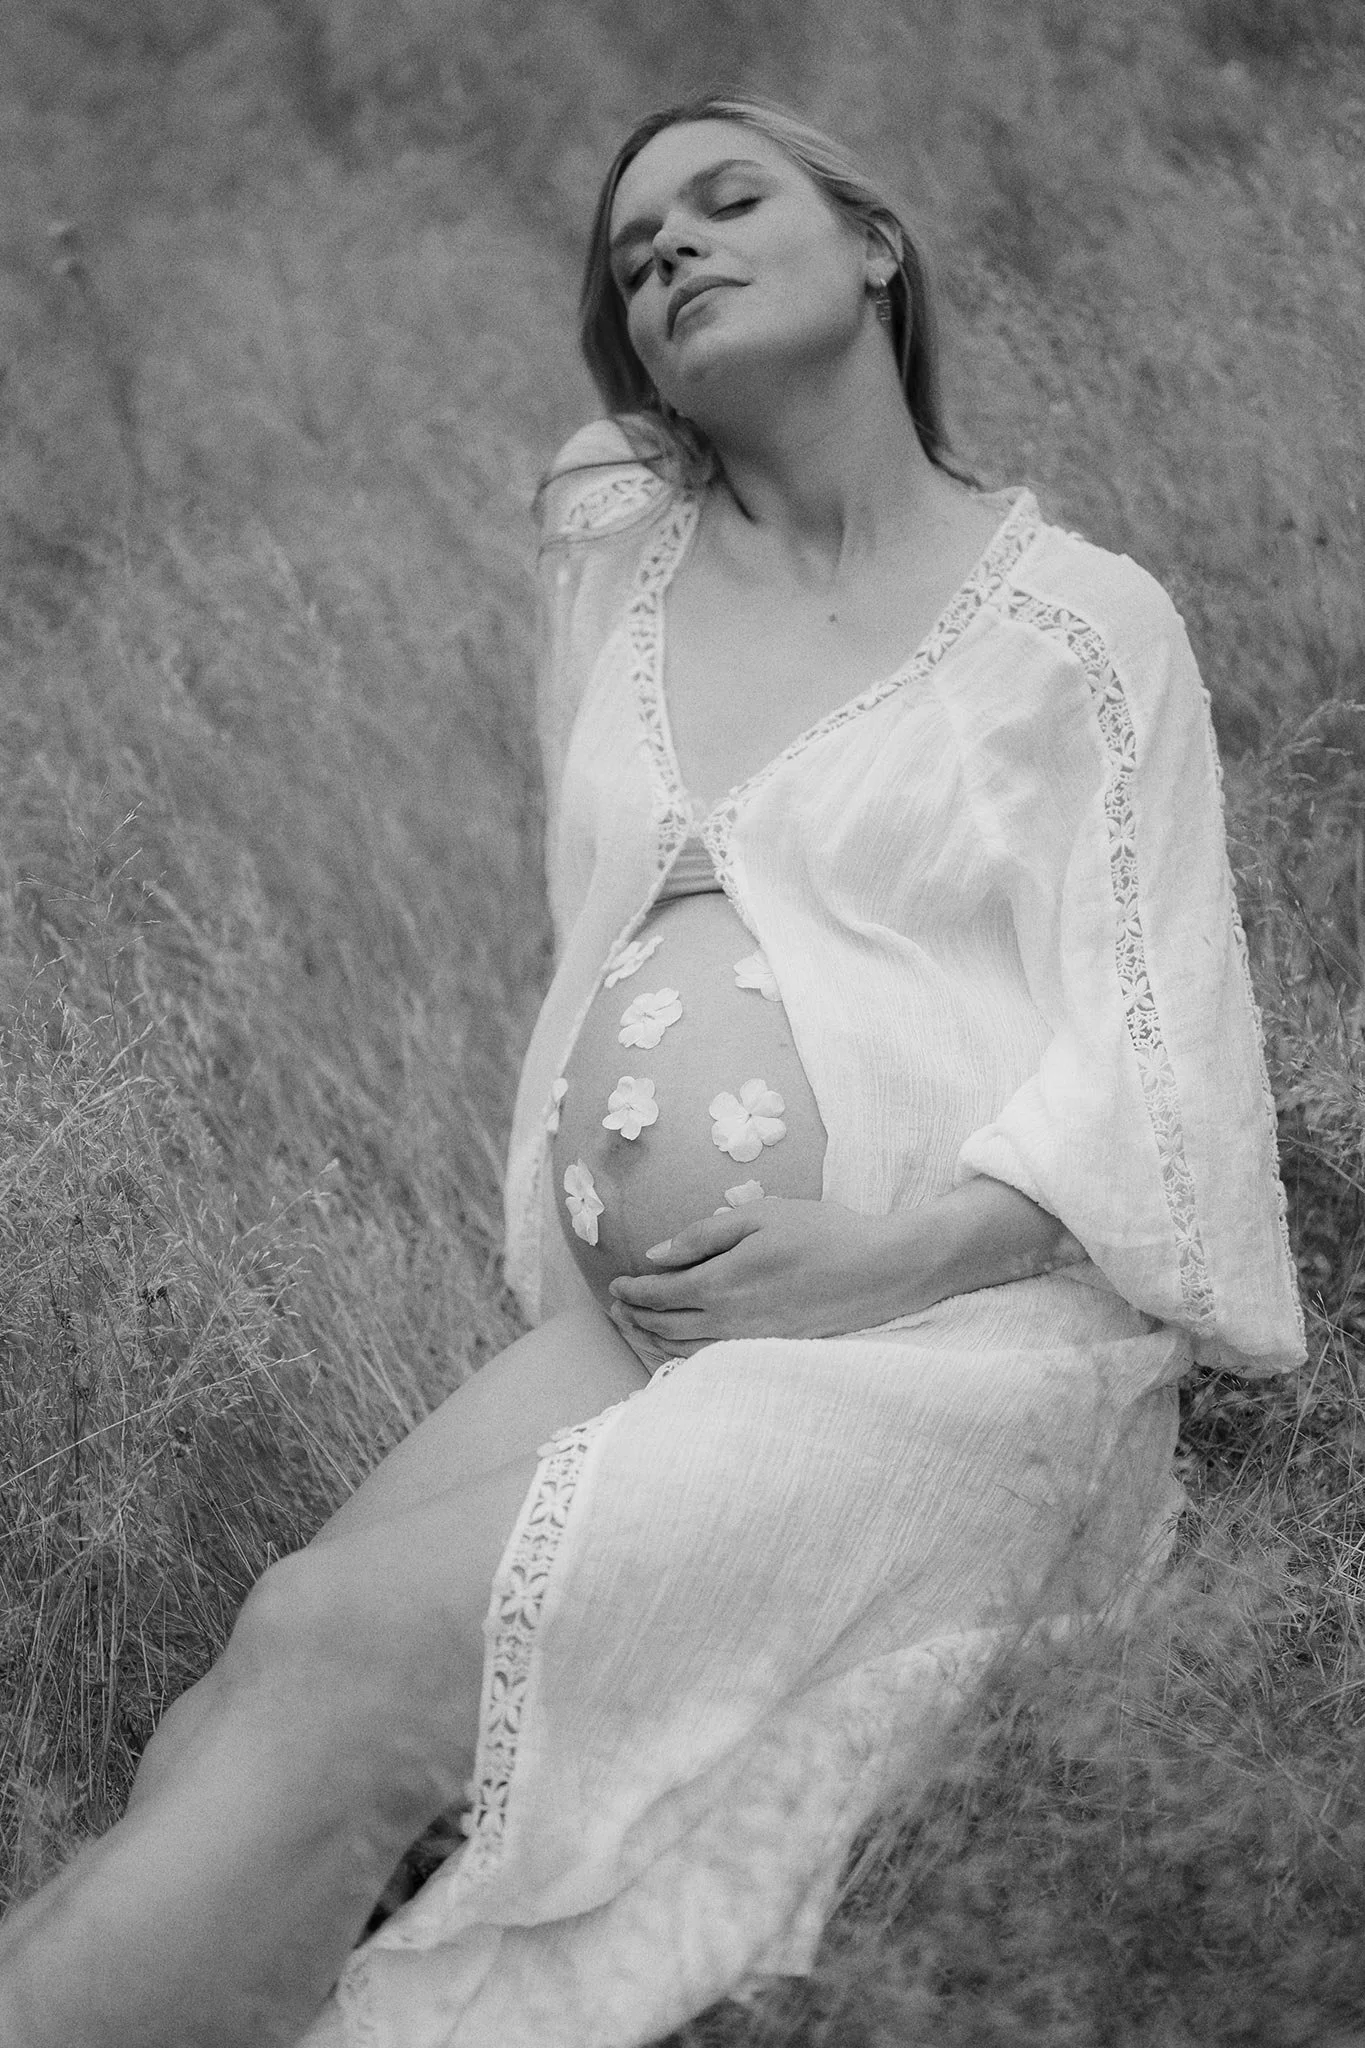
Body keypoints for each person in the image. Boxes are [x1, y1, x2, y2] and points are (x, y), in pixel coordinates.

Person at [0, 92, 1304, 2048]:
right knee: (252, 1660)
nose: (671, 247)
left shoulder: (1076, 630)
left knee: (346, 1666)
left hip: (948, 1339)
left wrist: (873, 1259)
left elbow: (1165, 1055)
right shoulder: (628, 562)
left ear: (875, 244)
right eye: (633, 253)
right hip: (656, 1319)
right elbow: (598, 476)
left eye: (728, 201)